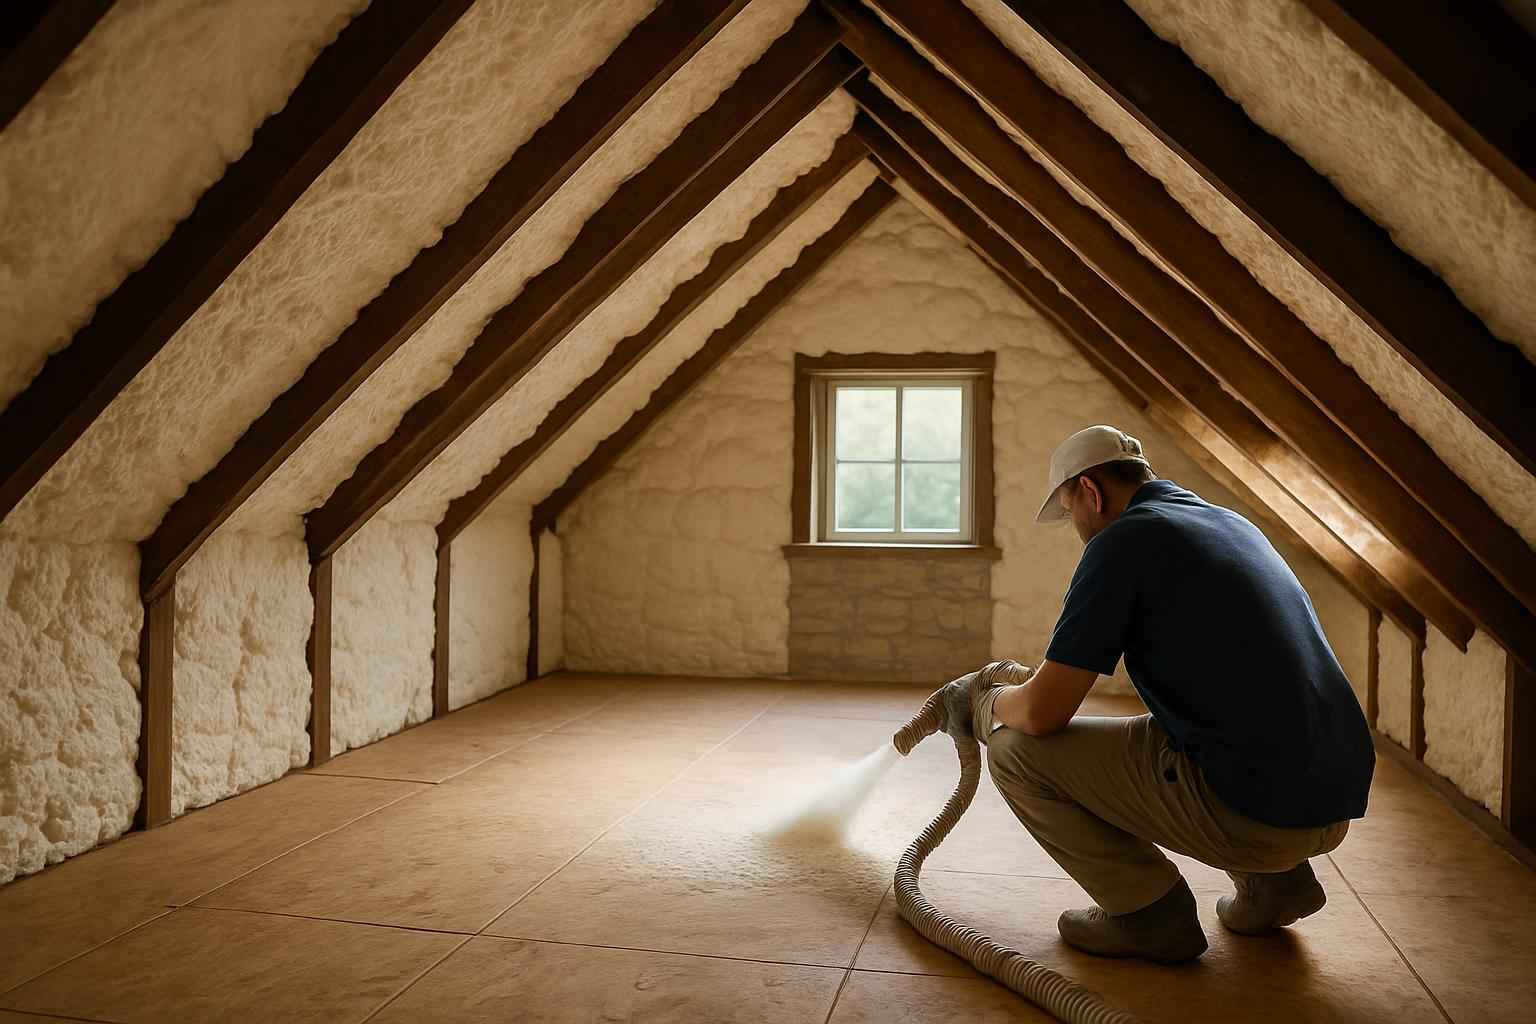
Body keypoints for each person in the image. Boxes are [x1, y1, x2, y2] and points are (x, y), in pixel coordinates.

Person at [940, 425, 1374, 964]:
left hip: (1261, 813)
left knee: (1015, 750)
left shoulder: (1122, 543)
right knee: (1176, 726)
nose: (1077, 525)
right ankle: (1279, 885)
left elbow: (1041, 713)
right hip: (1329, 797)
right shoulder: (1227, 523)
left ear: (1091, 493)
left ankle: (1147, 915)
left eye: (1072, 509)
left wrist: (982, 703)